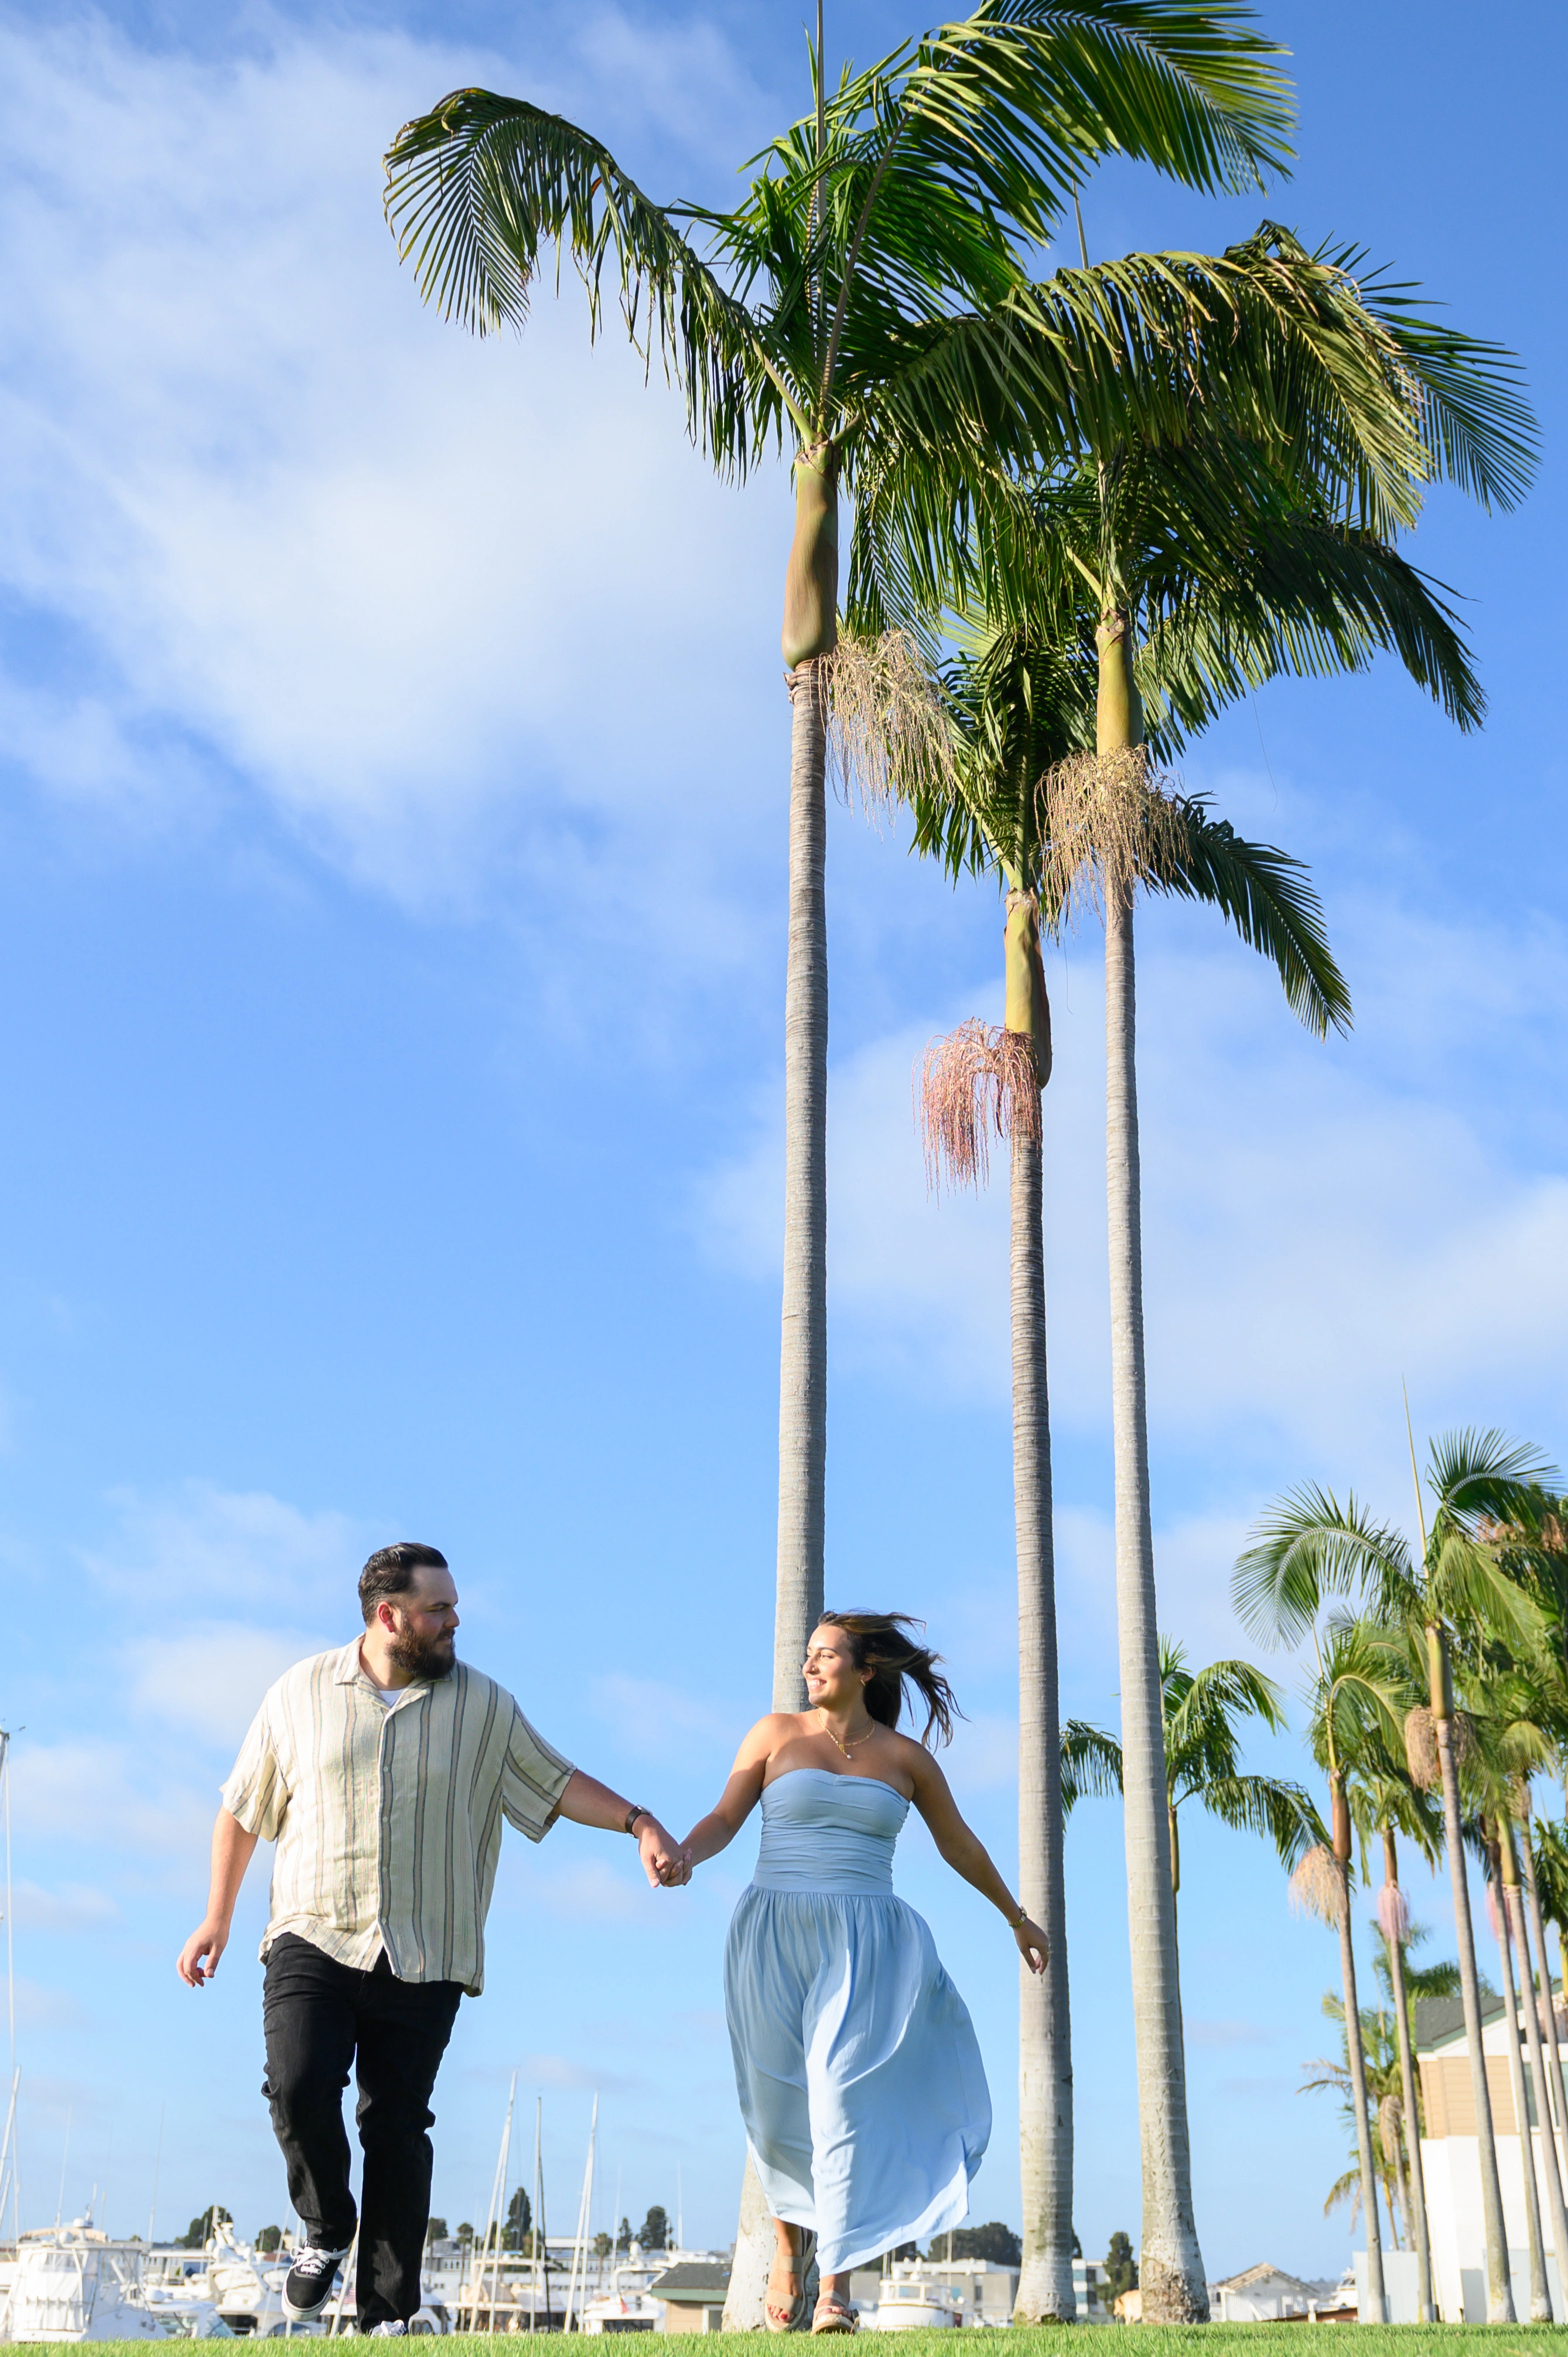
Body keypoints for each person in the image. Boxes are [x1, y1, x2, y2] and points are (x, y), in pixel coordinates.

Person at [176, 1542, 686, 2337]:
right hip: (314, 1930)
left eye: (453, 1605)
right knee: (299, 2083)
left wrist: (636, 1819)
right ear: (390, 1615)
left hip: (427, 1944)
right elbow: (243, 1810)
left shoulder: (483, 1704)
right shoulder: (298, 1692)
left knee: (397, 2123)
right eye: (439, 1608)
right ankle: (323, 2228)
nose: (455, 1619)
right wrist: (216, 1915)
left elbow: (554, 1780)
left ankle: (387, 2312)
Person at [678, 1611, 1047, 2335]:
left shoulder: (906, 1760)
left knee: (842, 2101)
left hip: (866, 1940)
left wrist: (1015, 1915)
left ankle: (835, 2290)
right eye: (807, 1656)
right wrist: (687, 1854)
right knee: (779, 2105)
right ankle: (791, 2251)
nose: (808, 1667)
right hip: (773, 1932)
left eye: (824, 1656)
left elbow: (960, 1844)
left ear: (864, 1670)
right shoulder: (773, 1734)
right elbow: (725, 1817)